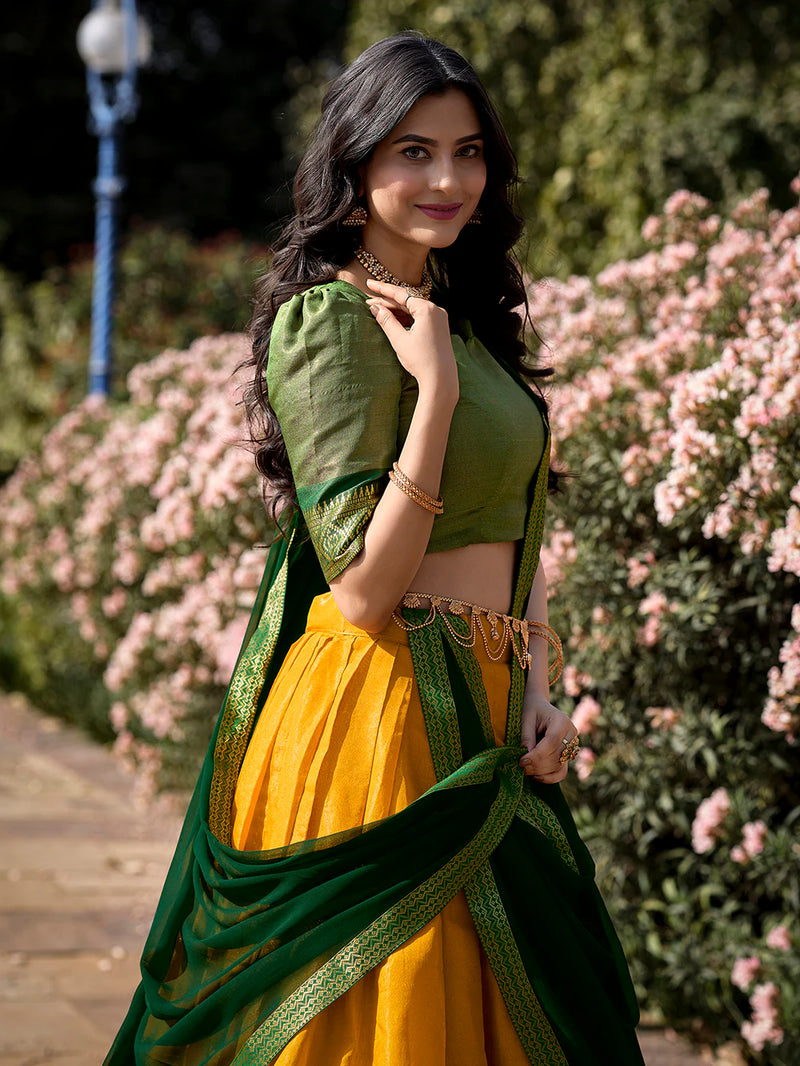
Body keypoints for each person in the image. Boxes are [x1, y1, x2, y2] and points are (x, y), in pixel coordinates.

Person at [106, 32, 645, 1066]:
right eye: (412, 151)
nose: (448, 178)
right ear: (353, 162)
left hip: (488, 705)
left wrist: (535, 675)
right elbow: (361, 590)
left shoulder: (466, 318)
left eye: (468, 150)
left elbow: (515, 523)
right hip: (383, 714)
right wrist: (432, 395)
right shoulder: (330, 323)